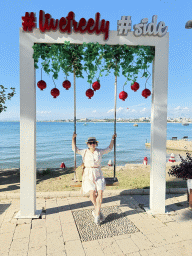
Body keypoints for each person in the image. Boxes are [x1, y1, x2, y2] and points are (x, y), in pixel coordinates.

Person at [72, 132, 117, 225]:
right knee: (92, 193)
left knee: (100, 192)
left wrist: (113, 138)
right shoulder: (84, 151)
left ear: (96, 143)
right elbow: (74, 149)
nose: (92, 144)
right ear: (87, 144)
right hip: (88, 174)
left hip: (98, 173)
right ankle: (98, 211)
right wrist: (73, 139)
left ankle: (96, 215)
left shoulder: (99, 151)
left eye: (94, 143)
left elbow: (109, 148)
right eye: (90, 143)